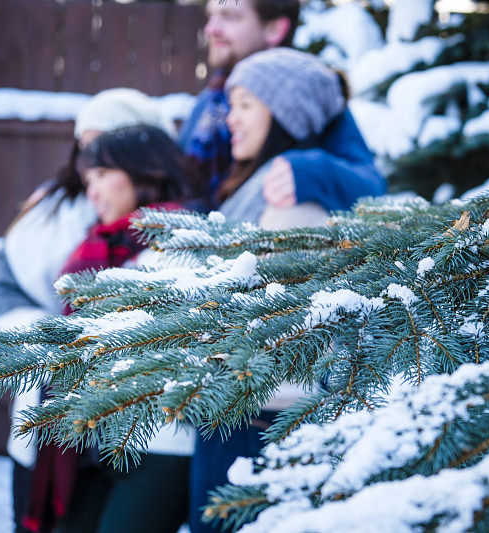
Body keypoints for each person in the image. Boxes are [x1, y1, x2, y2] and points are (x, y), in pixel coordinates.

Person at [0, 87, 180, 533]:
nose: (92, 161)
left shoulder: (175, 231)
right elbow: (5, 294)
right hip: (53, 411)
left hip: (131, 430)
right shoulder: (53, 209)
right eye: (85, 147)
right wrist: (56, 340)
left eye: (105, 148)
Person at [189, 47, 362, 532]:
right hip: (249, 410)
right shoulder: (260, 185)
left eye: (245, 105)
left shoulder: (290, 202)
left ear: (285, 114)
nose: (230, 120)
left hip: (258, 417)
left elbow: (267, 322)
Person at [25, 125, 198, 533]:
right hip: (96, 441)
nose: (93, 191)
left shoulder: (183, 243)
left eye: (102, 174)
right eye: (88, 180)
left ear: (145, 170)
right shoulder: (103, 245)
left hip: (159, 447)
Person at [179, 0, 385, 213]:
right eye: (211, 16)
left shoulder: (308, 100)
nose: (211, 29)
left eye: (230, 16)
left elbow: (372, 189)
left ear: (275, 29)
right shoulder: (208, 103)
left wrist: (315, 172)